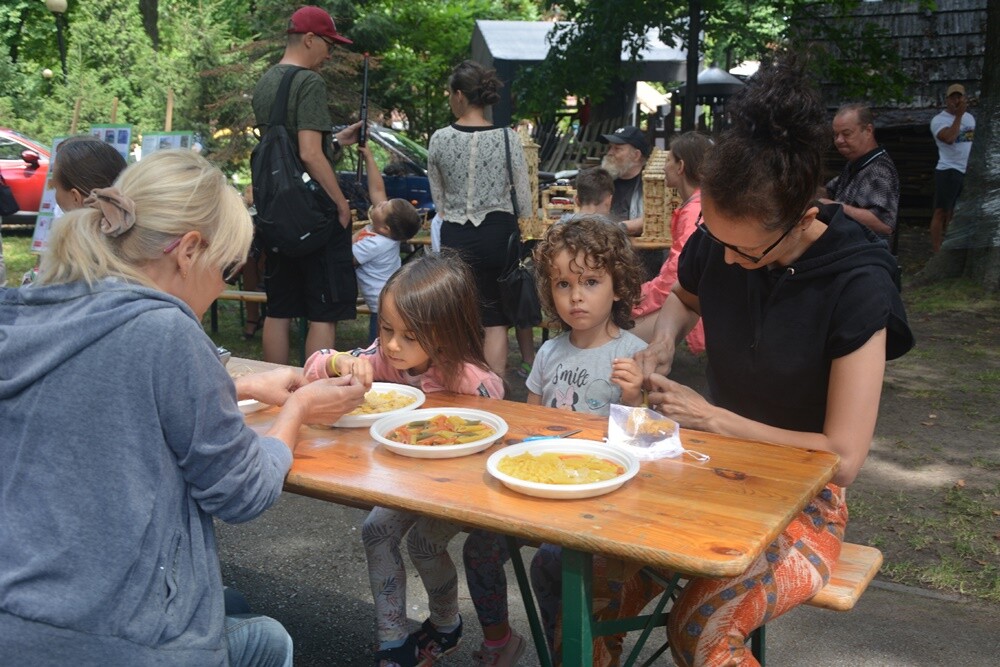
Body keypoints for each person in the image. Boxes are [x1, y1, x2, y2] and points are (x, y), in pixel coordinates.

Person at [0, 149, 368, 665]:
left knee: (230, 603)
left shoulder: (33, 311)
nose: (226, 285)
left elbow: (113, 393)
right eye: (231, 267)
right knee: (270, 640)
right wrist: (299, 409)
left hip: (18, 622)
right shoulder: (165, 329)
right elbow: (244, 493)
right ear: (189, 250)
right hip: (116, 639)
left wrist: (248, 383)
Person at [636, 57, 913, 667]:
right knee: (582, 571)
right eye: (714, 238)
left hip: (804, 503)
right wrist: (661, 342)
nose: (726, 262)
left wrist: (716, 419)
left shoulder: (857, 281)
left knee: (702, 629)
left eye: (744, 250)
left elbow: (843, 459)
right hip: (708, 471)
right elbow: (686, 296)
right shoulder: (724, 236)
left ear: (804, 218)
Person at [302, 252, 504, 667]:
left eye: (410, 337)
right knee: (376, 529)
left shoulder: (468, 379)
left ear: (444, 333)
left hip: (457, 486)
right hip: (405, 478)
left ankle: (446, 625)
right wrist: (341, 361)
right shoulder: (380, 359)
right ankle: (392, 640)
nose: (393, 344)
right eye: (386, 328)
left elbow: (498, 422)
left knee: (425, 544)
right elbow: (313, 366)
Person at [464, 216, 647, 666]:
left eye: (590, 281)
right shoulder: (548, 352)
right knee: (479, 547)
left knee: (550, 563)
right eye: (563, 284)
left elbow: (645, 440)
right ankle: (498, 641)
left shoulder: (632, 352)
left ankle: (566, 652)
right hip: (541, 484)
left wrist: (635, 394)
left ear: (618, 287)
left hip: (597, 494)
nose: (576, 295)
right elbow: (528, 425)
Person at [252, 6, 362, 363]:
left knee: (279, 308)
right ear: (310, 39)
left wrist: (338, 141)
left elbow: (284, 149)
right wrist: (341, 204)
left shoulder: (266, 81)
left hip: (276, 211)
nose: (330, 53)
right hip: (312, 215)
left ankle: (276, 388)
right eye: (328, 44)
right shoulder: (309, 82)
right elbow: (309, 154)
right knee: (323, 310)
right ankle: (317, 392)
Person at [428, 59, 532, 375]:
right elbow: (525, 200)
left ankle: (462, 385)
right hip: (498, 234)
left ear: (459, 95)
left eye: (450, 93)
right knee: (495, 315)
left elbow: (439, 199)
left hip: (456, 234)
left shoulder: (440, 138)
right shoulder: (507, 138)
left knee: (459, 310)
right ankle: (494, 391)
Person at [631, 131, 709, 351]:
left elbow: (677, 274)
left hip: (690, 305)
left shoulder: (694, 210)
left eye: (667, 160)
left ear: (680, 166)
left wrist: (639, 302)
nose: (664, 167)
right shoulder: (697, 205)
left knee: (619, 338)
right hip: (686, 299)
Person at [21, 135, 128, 285]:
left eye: (55, 188)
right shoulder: (133, 243)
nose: (55, 195)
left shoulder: (70, 260)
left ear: (75, 197)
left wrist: (31, 283)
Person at [353, 145, 423, 343]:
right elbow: (377, 189)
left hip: (383, 306)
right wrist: (368, 156)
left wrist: (352, 235)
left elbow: (344, 257)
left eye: (383, 207)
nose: (380, 203)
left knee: (379, 347)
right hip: (392, 300)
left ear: (385, 228)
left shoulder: (375, 244)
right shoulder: (385, 232)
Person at [820, 104, 900, 240]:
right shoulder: (856, 163)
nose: (839, 140)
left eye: (846, 134)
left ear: (868, 131)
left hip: (869, 257)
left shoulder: (879, 170)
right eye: (836, 135)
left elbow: (884, 224)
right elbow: (829, 192)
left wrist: (832, 206)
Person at [600, 125, 662, 281]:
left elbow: (655, 219)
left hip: (641, 268)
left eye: (617, 149)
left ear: (636, 155)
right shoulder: (602, 182)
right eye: (610, 148)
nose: (610, 153)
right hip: (604, 264)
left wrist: (618, 227)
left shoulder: (653, 185)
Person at [929, 83, 975, 252]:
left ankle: (950, 247)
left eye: (959, 97)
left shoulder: (970, 118)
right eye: (953, 97)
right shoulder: (939, 120)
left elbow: (970, 143)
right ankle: (936, 251)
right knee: (941, 211)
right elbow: (949, 138)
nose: (956, 100)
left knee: (955, 213)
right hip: (948, 170)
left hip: (965, 169)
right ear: (947, 100)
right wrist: (958, 116)